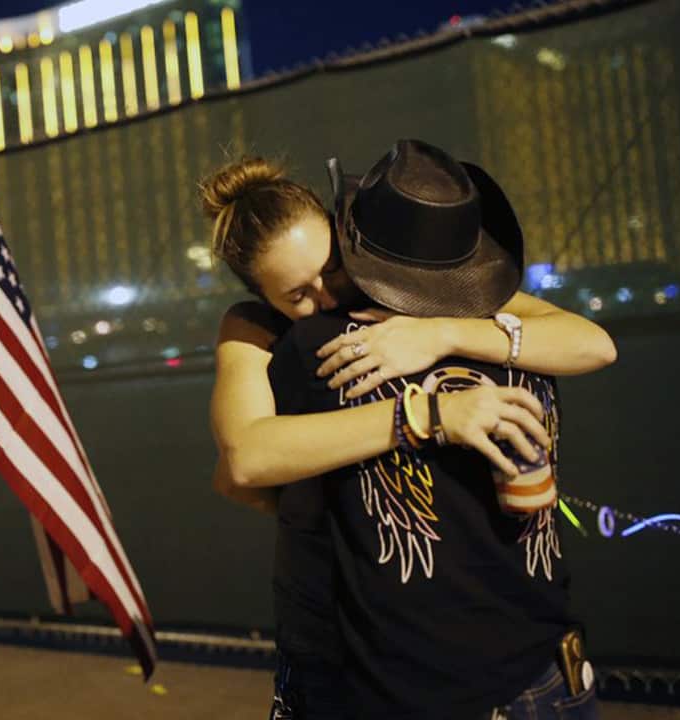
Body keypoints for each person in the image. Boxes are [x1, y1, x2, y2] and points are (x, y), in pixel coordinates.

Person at [200, 144, 615, 718]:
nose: (327, 295)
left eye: (333, 268)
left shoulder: (465, 300)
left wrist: (442, 334)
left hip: (541, 667)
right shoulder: (288, 343)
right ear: (262, 298)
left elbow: (596, 344)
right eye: (298, 294)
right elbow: (242, 462)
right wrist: (424, 416)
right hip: (460, 679)